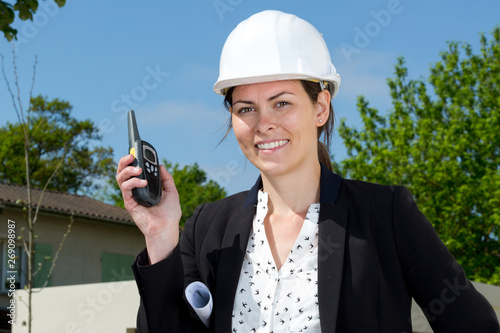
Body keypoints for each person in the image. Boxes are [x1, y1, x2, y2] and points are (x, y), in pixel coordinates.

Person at [116, 10, 500, 333]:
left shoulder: (386, 215)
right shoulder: (207, 228)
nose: (263, 123)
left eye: (281, 103)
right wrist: (162, 235)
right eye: (246, 108)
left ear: (321, 107)